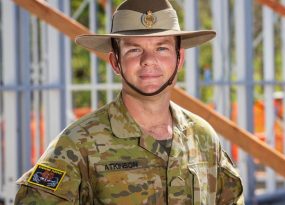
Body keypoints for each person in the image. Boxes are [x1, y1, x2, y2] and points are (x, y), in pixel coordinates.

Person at [14, 0, 244, 204]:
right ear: (115, 62)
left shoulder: (202, 137)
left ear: (179, 58)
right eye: (134, 50)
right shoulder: (77, 145)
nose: (148, 61)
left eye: (161, 48)